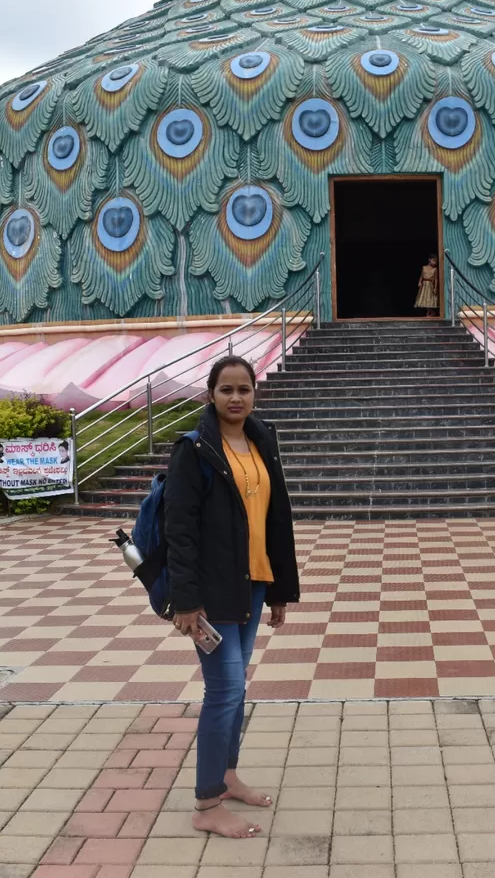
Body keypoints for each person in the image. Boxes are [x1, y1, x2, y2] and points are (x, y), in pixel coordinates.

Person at [164, 356, 300, 839]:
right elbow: (178, 531)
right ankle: (206, 804)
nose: (236, 398)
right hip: (211, 593)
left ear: (254, 393)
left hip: (253, 584)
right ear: (210, 394)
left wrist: (279, 590)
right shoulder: (195, 449)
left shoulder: (262, 440)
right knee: (224, 691)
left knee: (236, 687)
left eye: (244, 389)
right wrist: (186, 602)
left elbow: (275, 520)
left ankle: (226, 775)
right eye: (226, 390)